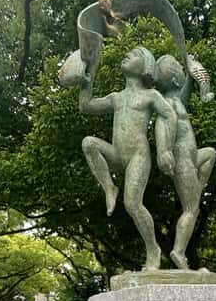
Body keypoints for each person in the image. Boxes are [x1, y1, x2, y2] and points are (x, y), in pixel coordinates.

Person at [73, 46, 177, 271]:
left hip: (138, 156)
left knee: (132, 203)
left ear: (146, 67)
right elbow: (86, 106)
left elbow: (169, 115)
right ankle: (109, 187)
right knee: (88, 143)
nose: (127, 54)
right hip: (116, 153)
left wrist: (165, 148)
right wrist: (86, 80)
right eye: (128, 52)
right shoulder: (116, 98)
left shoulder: (151, 95)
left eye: (136, 54)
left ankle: (153, 249)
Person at [154, 54, 216, 269]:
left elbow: (189, 87)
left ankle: (199, 186)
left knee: (210, 153)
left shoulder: (177, 100)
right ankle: (179, 252)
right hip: (181, 157)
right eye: (179, 69)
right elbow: (162, 126)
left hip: (192, 154)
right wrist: (163, 150)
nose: (183, 70)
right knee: (191, 208)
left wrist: (192, 73)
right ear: (173, 79)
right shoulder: (166, 104)